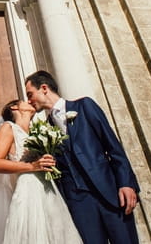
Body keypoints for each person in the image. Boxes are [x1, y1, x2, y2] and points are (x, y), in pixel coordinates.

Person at [25, 70, 140, 244]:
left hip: (109, 192)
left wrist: (126, 183)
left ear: (44, 88)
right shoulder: (44, 129)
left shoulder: (84, 106)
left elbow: (113, 147)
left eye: (30, 94)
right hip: (79, 203)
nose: (29, 100)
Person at [0, 99, 83, 244]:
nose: (30, 101)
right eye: (24, 100)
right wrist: (32, 166)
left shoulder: (37, 131)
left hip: (48, 187)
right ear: (14, 107)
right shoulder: (8, 127)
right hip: (28, 188)